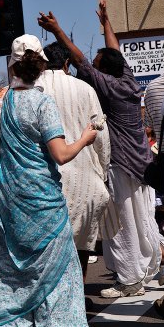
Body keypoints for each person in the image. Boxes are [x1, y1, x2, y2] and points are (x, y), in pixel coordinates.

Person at [38, 1, 162, 298]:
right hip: (142, 161)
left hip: (120, 163)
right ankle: (151, 268)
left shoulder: (109, 86)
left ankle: (130, 279)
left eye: (97, 64)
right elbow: (114, 52)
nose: (91, 67)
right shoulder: (129, 81)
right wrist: (107, 23)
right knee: (143, 218)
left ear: (103, 71)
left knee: (121, 223)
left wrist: (57, 30)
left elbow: (79, 60)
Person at [0, 34, 94, 327]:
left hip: (9, 211)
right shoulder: (42, 102)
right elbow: (60, 154)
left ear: (10, 65)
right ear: (41, 67)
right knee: (58, 284)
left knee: (10, 280)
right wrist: (85, 138)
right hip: (46, 209)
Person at [38, 42, 110, 292]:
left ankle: (54, 301)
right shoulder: (85, 89)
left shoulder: (30, 91)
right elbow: (101, 135)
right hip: (86, 180)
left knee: (49, 249)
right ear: (67, 64)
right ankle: (76, 299)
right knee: (80, 246)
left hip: (44, 182)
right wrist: (103, 169)